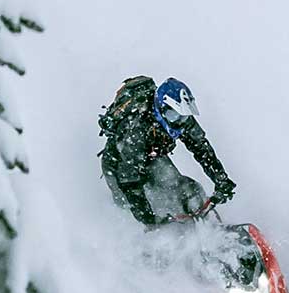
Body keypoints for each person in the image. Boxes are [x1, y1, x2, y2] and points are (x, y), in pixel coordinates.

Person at [99, 74, 236, 226]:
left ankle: (210, 231)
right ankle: (144, 244)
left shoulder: (182, 120)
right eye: (173, 116)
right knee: (132, 210)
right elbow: (129, 181)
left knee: (187, 189)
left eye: (182, 117)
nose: (178, 122)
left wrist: (221, 179)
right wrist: (148, 218)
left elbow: (201, 148)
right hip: (119, 166)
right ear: (160, 108)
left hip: (151, 158)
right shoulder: (137, 129)